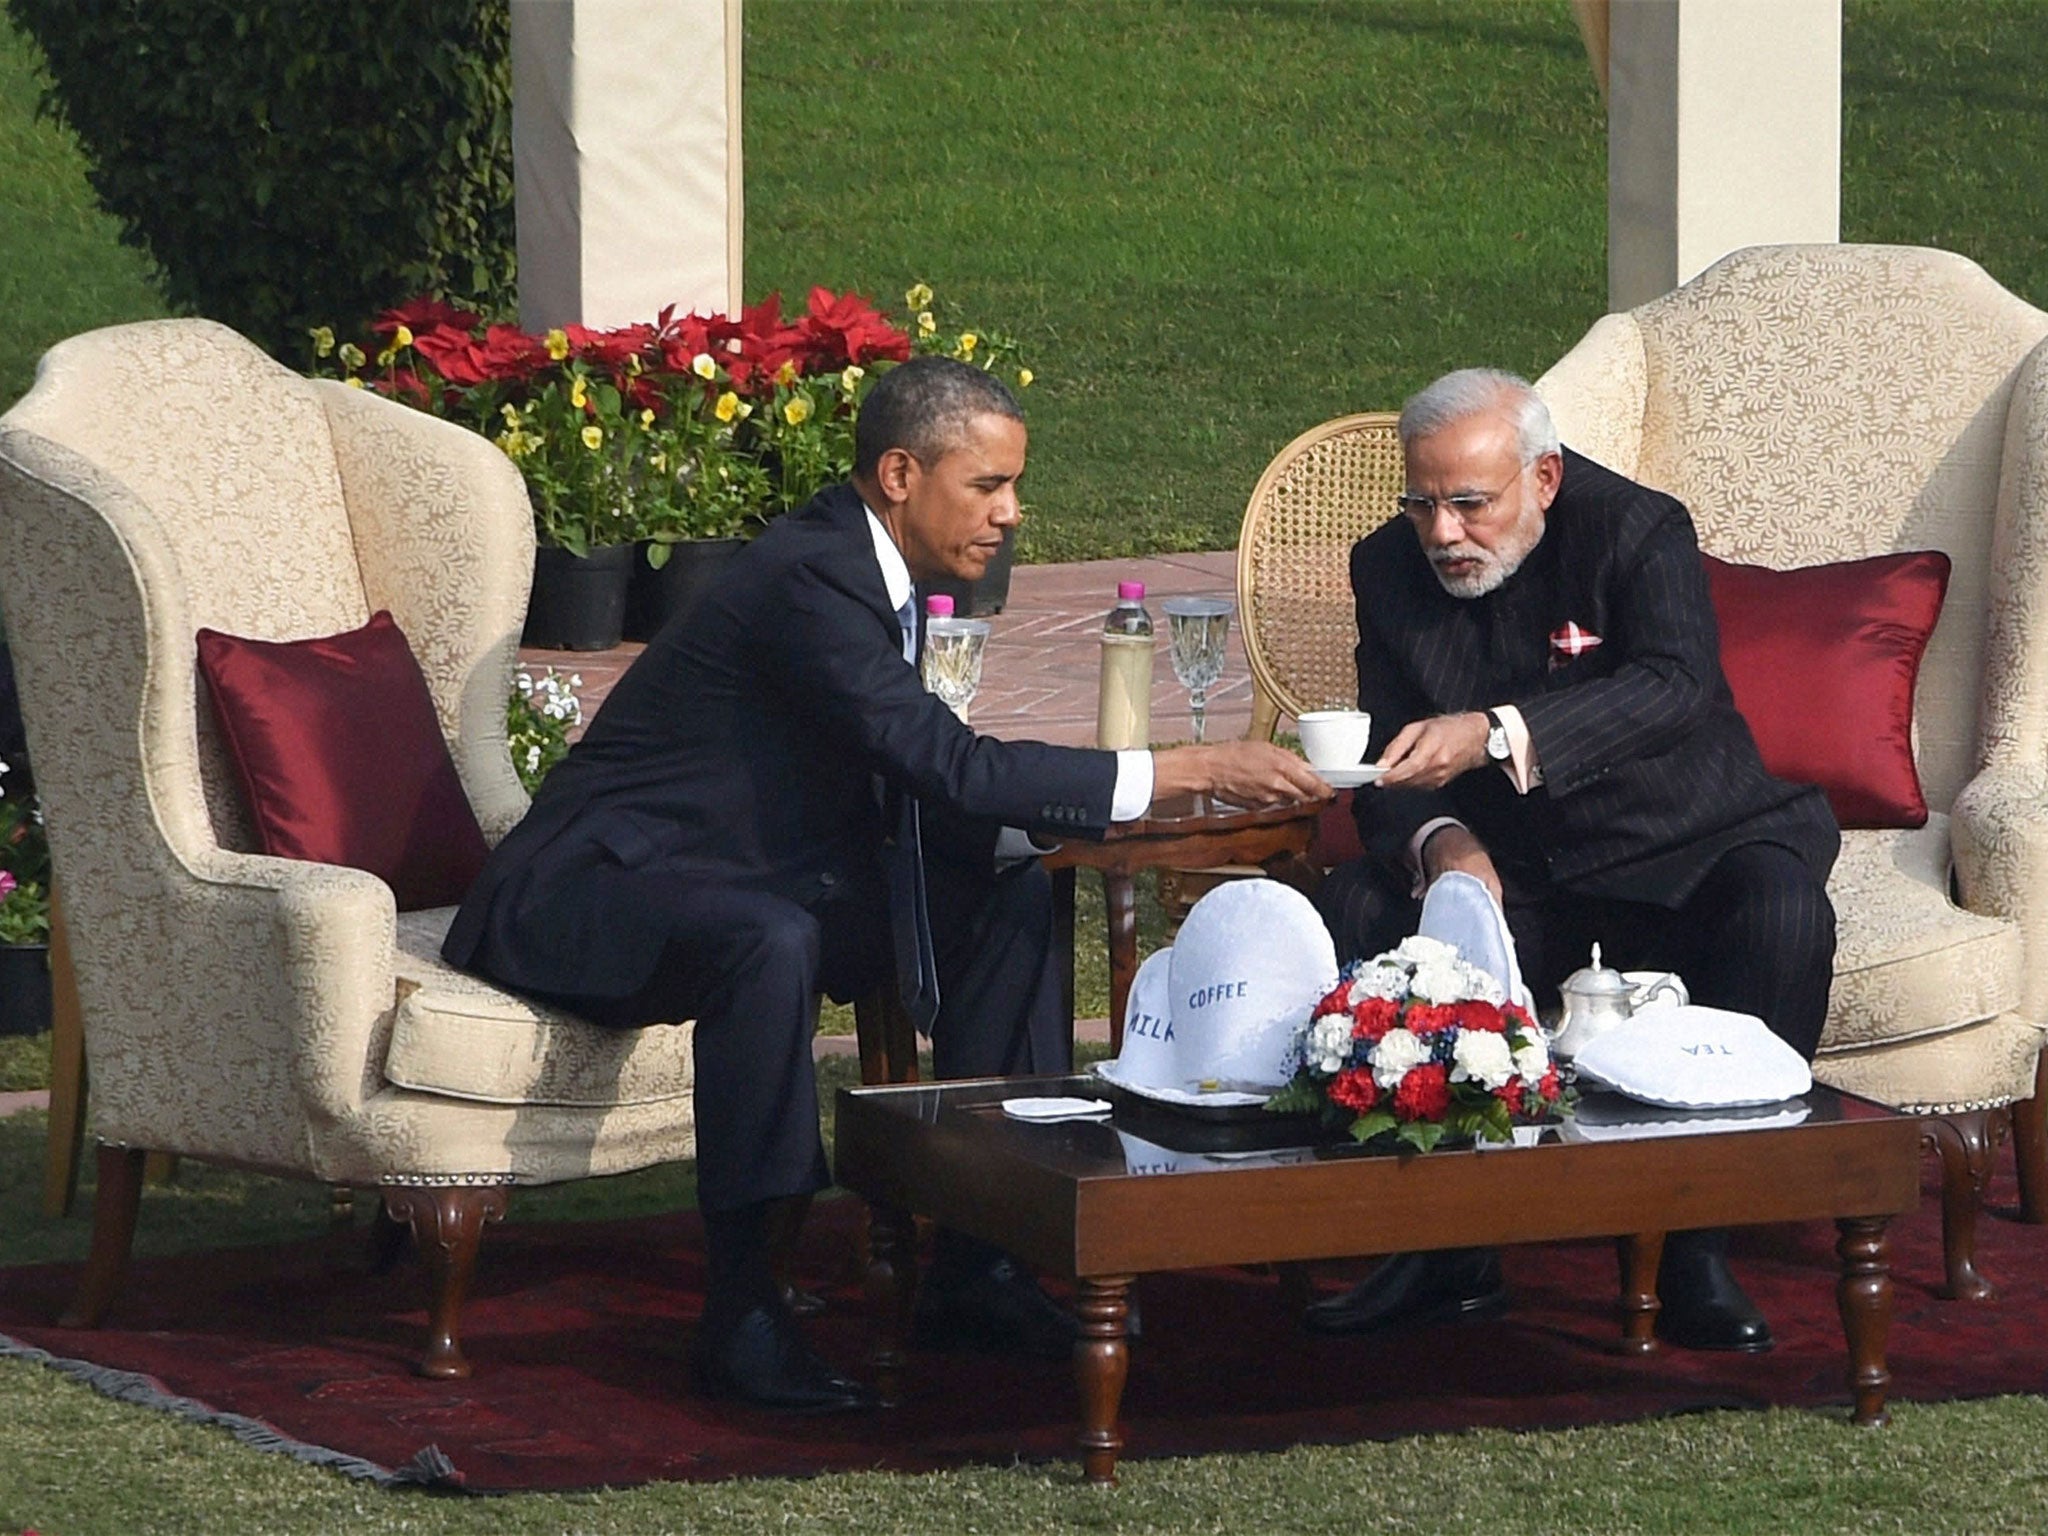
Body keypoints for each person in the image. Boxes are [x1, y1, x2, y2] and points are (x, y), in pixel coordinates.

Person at [444, 356, 1329, 1412]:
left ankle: (981, 1261)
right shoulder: (811, 577)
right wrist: (1180, 769)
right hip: (582, 894)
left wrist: (1038, 830)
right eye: (987, 485)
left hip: (733, 873)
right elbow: (945, 765)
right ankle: (743, 1313)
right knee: (763, 940)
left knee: (1003, 893)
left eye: (1013, 485)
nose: (1012, 512)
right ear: (902, 474)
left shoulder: (873, 570)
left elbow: (925, 783)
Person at [1309, 368, 1839, 1352]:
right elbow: (1385, 758)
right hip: (1513, 881)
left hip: (1681, 854)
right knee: (1358, 907)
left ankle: (1695, 1250)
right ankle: (1437, 1247)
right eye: (1420, 503)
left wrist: (1497, 733)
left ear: (1542, 479)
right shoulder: (1384, 566)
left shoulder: (1635, 530)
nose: (1441, 534)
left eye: (1469, 504)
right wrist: (1443, 844)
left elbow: (1673, 687)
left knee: (1780, 906)